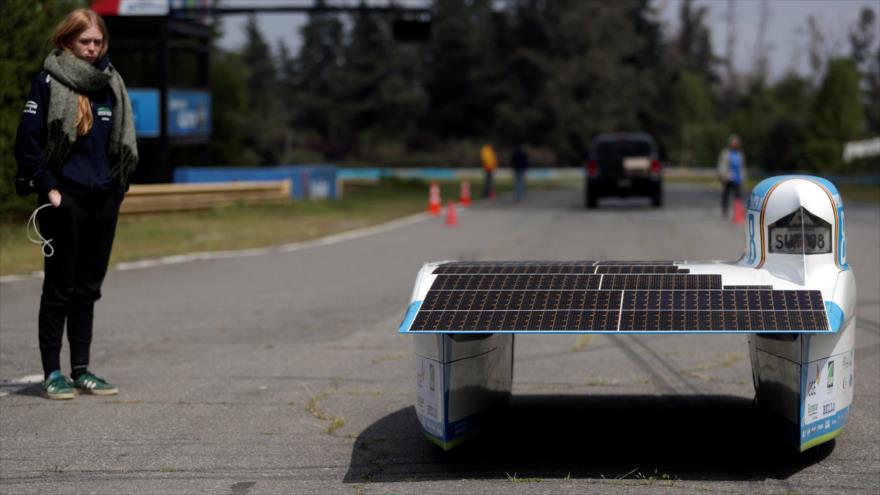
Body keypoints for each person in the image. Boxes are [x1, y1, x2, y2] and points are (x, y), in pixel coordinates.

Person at [14, 8, 138, 399]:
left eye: (97, 42)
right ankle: (53, 371)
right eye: (85, 41)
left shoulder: (110, 83)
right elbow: (28, 145)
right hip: (62, 200)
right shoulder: (47, 82)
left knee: (88, 288)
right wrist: (51, 189)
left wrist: (117, 189)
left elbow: (121, 142)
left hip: (102, 199)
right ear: (68, 40)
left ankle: (81, 369)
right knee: (59, 289)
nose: (92, 48)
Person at [717, 134, 747, 217]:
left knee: (738, 196)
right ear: (730, 143)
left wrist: (743, 177)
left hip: (737, 178)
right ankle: (724, 211)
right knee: (726, 194)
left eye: (736, 143)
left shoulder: (740, 154)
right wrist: (723, 175)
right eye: (733, 143)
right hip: (728, 177)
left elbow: (742, 166)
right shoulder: (726, 153)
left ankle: (737, 212)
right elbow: (722, 165)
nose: (735, 144)